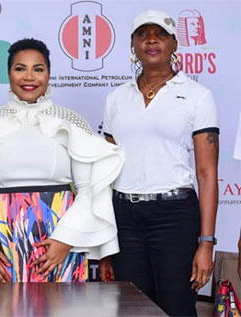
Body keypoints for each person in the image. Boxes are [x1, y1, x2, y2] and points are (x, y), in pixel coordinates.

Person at [0, 38, 123, 283]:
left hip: (60, 239)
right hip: (1, 240)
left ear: (49, 74)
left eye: (38, 69)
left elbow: (90, 190)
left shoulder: (70, 121)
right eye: (20, 68)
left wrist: (65, 240)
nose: (29, 77)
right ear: (9, 74)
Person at [100, 10, 219, 316]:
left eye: (160, 34)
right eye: (142, 34)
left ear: (174, 44)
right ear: (133, 44)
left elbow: (207, 175)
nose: (151, 40)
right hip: (124, 218)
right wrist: (103, 242)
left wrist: (206, 243)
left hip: (174, 217)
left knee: (177, 307)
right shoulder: (116, 98)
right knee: (131, 308)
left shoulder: (197, 96)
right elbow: (106, 171)